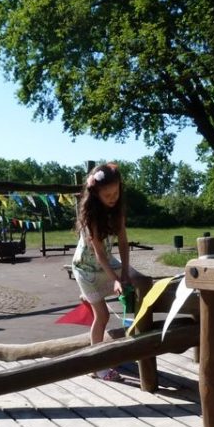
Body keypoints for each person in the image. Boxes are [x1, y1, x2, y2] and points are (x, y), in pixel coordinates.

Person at [71, 162, 141, 381]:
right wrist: (116, 280)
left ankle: (140, 342)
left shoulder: (117, 211)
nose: (113, 197)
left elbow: (122, 243)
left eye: (116, 192)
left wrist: (126, 274)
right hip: (87, 268)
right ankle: (96, 366)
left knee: (139, 280)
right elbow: (100, 255)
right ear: (96, 194)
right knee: (103, 315)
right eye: (107, 194)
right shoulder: (92, 217)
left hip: (107, 261)